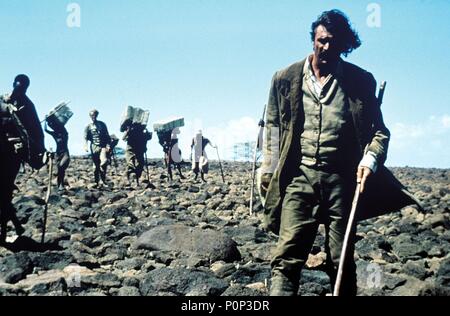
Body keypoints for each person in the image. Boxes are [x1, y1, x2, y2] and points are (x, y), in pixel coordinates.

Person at [259, 10, 421, 296]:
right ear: (313, 39)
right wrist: (267, 171)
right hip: (300, 177)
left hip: (342, 181)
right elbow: (271, 129)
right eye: (321, 40)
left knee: (341, 260)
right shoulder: (284, 78)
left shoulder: (360, 81)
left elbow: (379, 133)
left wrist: (370, 159)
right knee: (286, 259)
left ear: (344, 45)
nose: (326, 47)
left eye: (334, 42)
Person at [0, 74, 46, 243]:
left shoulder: (28, 105)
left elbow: (36, 131)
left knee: (4, 192)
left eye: (23, 88)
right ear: (13, 84)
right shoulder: (2, 100)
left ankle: (4, 233)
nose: (19, 90)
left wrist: (39, 152)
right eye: (17, 87)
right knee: (3, 194)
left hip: (12, 153)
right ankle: (16, 226)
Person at [84, 109, 111, 188]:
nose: (93, 117)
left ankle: (103, 181)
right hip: (94, 146)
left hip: (102, 146)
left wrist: (108, 145)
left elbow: (107, 135)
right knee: (96, 166)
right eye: (92, 115)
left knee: (104, 162)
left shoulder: (102, 124)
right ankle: (96, 182)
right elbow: (85, 137)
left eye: (95, 115)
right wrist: (85, 146)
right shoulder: (88, 126)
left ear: (97, 115)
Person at [45, 116, 70, 192]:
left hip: (65, 153)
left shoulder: (65, 134)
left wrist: (54, 119)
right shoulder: (54, 134)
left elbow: (61, 126)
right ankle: (60, 185)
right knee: (60, 170)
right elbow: (45, 130)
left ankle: (61, 185)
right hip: (58, 154)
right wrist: (46, 121)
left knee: (62, 167)